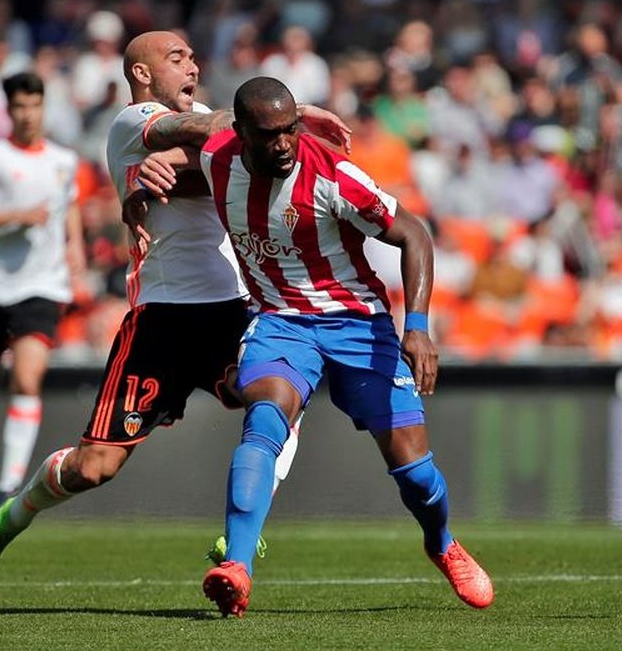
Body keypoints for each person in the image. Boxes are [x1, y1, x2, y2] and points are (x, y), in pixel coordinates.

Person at [0, 31, 351, 585]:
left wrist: (179, 166)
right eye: (177, 58)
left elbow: (236, 164)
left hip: (233, 309)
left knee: (281, 393)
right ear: (142, 75)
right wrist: (294, 115)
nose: (192, 65)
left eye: (192, 55)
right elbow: (202, 137)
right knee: (96, 467)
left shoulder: (221, 125)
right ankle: (13, 514)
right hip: (161, 319)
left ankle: (243, 528)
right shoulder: (131, 122)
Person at [195, 76, 493, 616]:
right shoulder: (215, 156)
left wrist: (419, 326)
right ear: (240, 133)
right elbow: (161, 146)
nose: (284, 143)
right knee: (265, 414)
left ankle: (443, 543)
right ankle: (236, 567)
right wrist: (144, 187)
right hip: (279, 319)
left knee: (414, 468)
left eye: (291, 129)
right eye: (270, 135)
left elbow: (415, 235)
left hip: (357, 320)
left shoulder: (334, 176)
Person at [0, 72, 85, 514]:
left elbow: (70, 204)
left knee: (27, 379)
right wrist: (14, 216)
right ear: (8, 111)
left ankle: (8, 487)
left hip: (43, 286)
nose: (27, 115)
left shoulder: (63, 160)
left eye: (34, 105)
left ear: (44, 107)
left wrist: (76, 246)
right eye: (19, 107)